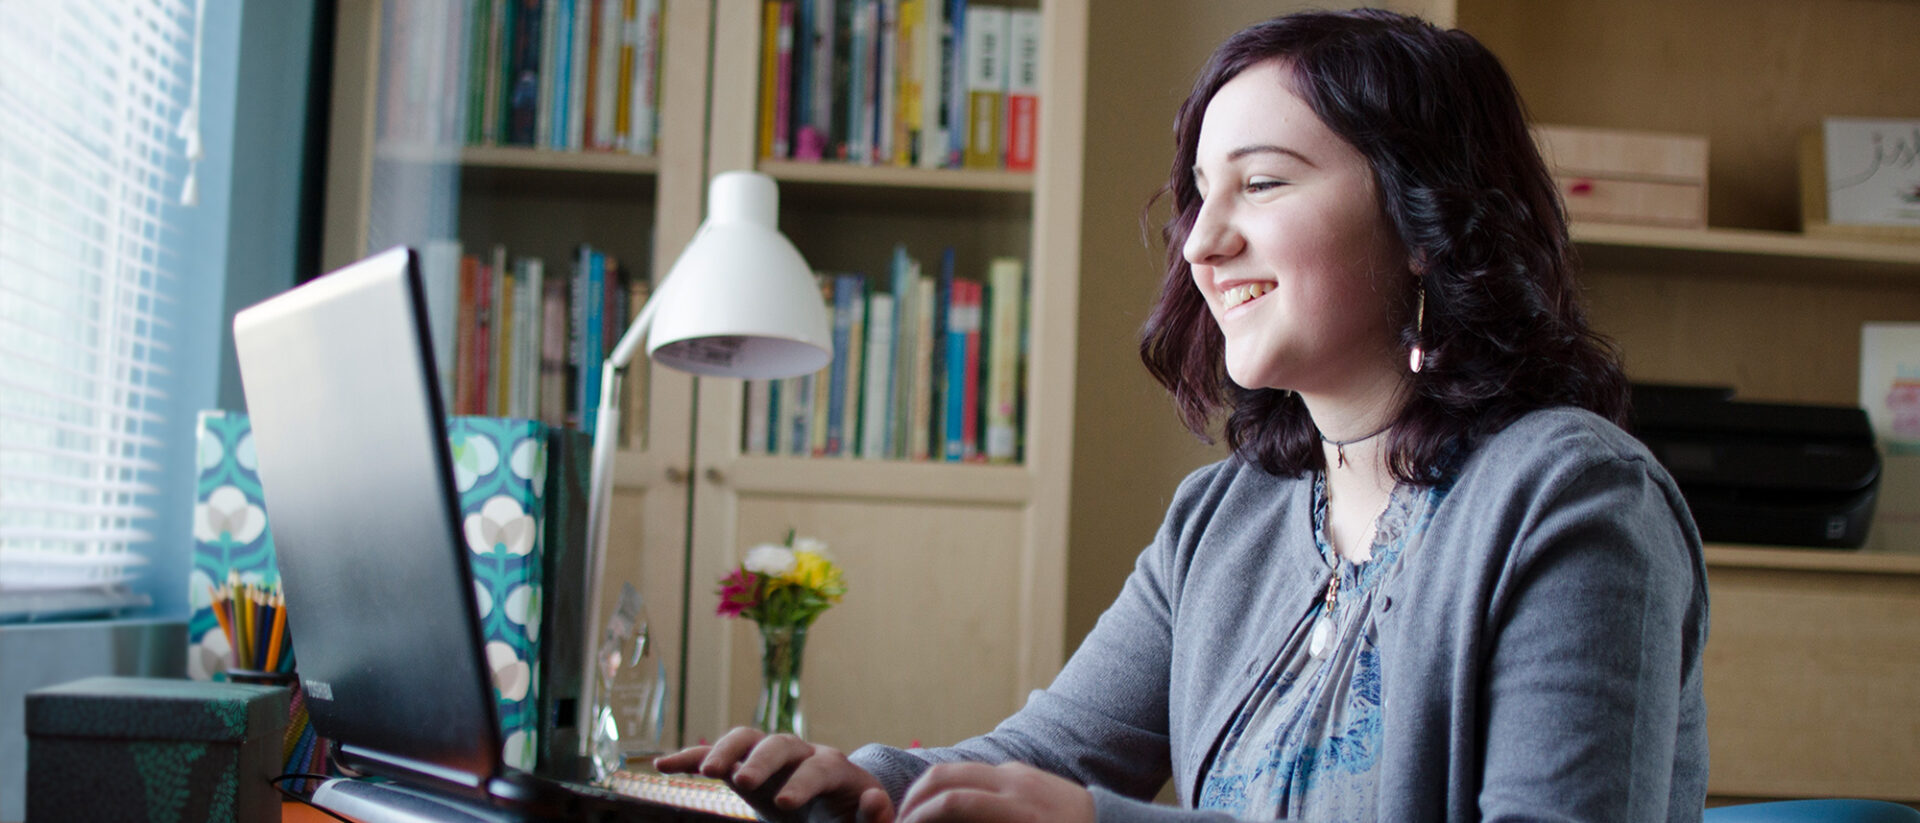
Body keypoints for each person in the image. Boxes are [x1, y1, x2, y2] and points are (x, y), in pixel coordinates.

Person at [656, 9, 1709, 822]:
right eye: (1202, 197)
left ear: (1425, 218)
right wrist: (849, 780)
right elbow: (1046, 757)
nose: (1203, 243)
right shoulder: (1223, 517)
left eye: (1262, 183)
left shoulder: (1575, 499)